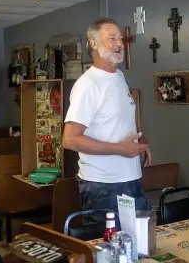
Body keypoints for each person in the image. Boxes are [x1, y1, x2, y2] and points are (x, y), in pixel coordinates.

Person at [62, 18, 152, 224]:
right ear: (94, 44)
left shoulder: (119, 76)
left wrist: (140, 141)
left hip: (130, 179)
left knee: (140, 246)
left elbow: (119, 122)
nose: (119, 43)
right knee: (110, 251)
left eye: (120, 38)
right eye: (112, 38)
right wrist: (121, 149)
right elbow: (70, 140)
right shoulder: (88, 84)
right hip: (102, 185)